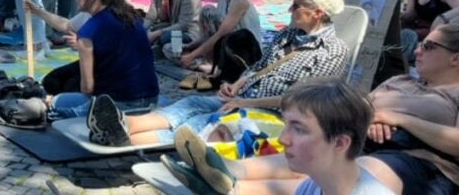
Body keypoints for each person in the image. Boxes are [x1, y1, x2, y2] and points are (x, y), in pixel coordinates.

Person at [169, 24, 459, 195]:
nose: (418, 50)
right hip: (362, 139)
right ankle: (226, 173)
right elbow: (358, 107)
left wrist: (399, 118)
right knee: (313, 152)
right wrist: (370, 120)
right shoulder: (401, 80)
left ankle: (232, 188)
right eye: (421, 44)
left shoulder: (454, 94)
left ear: (455, 59)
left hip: (418, 159)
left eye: (430, 46)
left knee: (350, 172)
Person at [88, 0, 348, 147]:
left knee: (202, 122)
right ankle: (122, 124)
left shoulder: (332, 51)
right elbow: (258, 67)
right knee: (190, 103)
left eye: (296, 5)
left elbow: (300, 101)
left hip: (275, 114)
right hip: (244, 96)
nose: (290, 9)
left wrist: (244, 102)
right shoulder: (288, 35)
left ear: (318, 13)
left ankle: (123, 140)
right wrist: (234, 85)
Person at [161, 80, 393, 195]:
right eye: (287, 125)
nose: (283, 139)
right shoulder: (316, 185)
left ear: (340, 143)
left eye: (299, 129)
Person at [24, 0, 158, 118]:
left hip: (119, 104)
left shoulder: (89, 31)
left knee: (55, 102)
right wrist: (38, 11)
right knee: (61, 80)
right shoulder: (130, 15)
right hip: (151, 98)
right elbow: (66, 25)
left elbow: (87, 88)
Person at [180, 0, 263, 72]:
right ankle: (208, 62)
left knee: (208, 13)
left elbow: (220, 34)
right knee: (208, 10)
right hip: (229, 43)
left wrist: (192, 55)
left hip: (245, 51)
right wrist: (190, 46)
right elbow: (212, 33)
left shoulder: (239, 0)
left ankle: (213, 65)